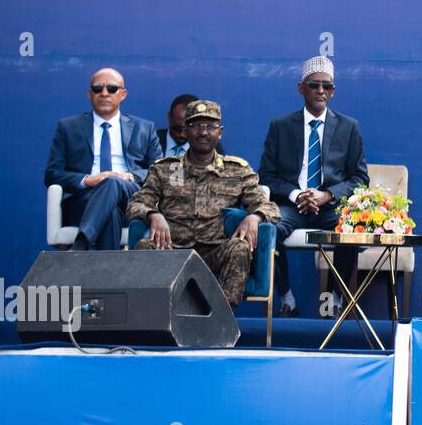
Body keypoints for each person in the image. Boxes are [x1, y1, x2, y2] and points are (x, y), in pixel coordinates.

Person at [127, 100, 280, 309]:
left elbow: (270, 207)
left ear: (220, 132)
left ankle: (219, 319)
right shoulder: (166, 169)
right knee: (145, 246)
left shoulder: (237, 170)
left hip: (215, 250)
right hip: (173, 248)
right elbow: (136, 204)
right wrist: (153, 214)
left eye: (210, 126)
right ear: (186, 131)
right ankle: (152, 318)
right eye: (196, 126)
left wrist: (255, 217)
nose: (203, 132)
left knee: (239, 248)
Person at [258, 56, 369, 317]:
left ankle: (332, 300)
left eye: (327, 87)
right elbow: (266, 177)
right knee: (268, 228)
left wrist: (326, 194)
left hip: (329, 206)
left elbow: (360, 178)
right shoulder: (281, 127)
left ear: (333, 92)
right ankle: (286, 298)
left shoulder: (349, 127)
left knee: (349, 228)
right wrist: (299, 194)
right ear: (301, 88)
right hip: (292, 205)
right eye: (314, 85)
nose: (321, 91)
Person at [44, 67, 161, 250]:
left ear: (123, 94)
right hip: (85, 200)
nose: (104, 93)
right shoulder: (68, 127)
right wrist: (88, 180)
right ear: (90, 94)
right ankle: (104, 272)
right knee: (111, 213)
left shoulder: (144, 128)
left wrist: (129, 176)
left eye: (112, 89)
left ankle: (81, 245)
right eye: (98, 89)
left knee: (112, 182)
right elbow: (52, 174)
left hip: (130, 197)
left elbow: (159, 172)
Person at [156, 94, 198, 158]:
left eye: (187, 130)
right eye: (176, 129)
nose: (181, 135)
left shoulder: (210, 147)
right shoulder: (151, 141)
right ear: (169, 117)